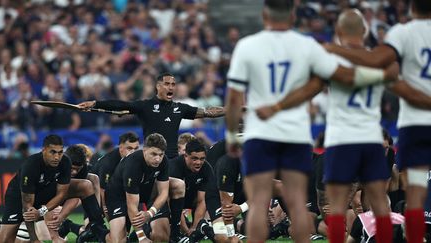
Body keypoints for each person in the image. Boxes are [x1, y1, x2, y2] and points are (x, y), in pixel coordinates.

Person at [224, 1, 398, 243]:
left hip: (278, 134)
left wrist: (236, 133)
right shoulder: (311, 47)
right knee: (306, 204)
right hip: (347, 137)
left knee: (263, 200)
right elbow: (350, 76)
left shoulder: (247, 46)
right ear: (293, 15)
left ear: (264, 14)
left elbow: (234, 97)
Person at [323, 1, 431, 243]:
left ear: (339, 32)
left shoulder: (328, 62)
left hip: (341, 138)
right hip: (371, 139)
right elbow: (401, 85)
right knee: (381, 203)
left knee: (337, 206)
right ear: (365, 32)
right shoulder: (383, 64)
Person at [78, 72, 225, 159]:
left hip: (173, 160)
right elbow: (121, 104)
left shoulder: (180, 108)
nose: (171, 87)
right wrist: (95, 104)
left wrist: (232, 109)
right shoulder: (145, 106)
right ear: (158, 86)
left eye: (173, 85)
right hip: (152, 159)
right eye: (167, 84)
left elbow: (208, 112)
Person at [0, 135, 108, 243]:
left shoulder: (65, 162)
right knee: (5, 240)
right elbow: (27, 206)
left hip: (45, 194)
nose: (57, 157)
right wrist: (34, 239)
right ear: (44, 150)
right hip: (18, 198)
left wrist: (46, 212)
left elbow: (61, 194)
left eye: (60, 152)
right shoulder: (31, 166)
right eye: (53, 152)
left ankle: (96, 228)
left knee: (86, 184)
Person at [103, 133, 170, 243]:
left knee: (162, 237)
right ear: (144, 150)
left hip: (141, 192)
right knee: (118, 241)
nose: (158, 159)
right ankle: (97, 231)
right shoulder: (133, 165)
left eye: (161, 155)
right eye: (154, 154)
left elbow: (163, 192)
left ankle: (140, 233)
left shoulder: (164, 161)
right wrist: (142, 237)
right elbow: (131, 204)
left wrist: (150, 213)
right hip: (117, 196)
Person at [169, 139, 228, 243]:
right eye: (194, 159)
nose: (198, 162)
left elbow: (202, 200)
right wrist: (185, 230)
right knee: (160, 235)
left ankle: (200, 227)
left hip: (191, 200)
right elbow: (172, 203)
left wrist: (194, 229)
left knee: (208, 198)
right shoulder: (174, 167)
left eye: (202, 159)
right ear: (185, 156)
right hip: (171, 203)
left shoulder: (207, 168)